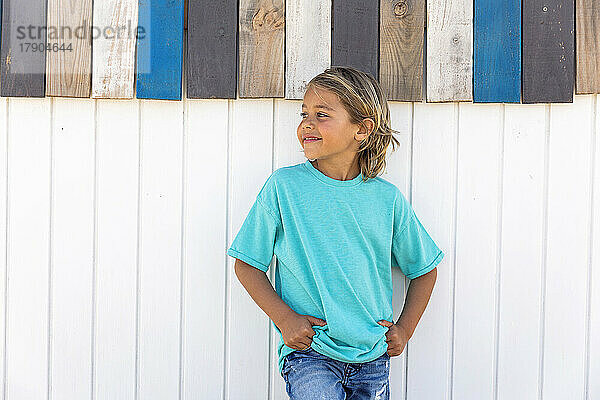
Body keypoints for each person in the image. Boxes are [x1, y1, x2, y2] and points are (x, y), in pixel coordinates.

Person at [226, 66, 444, 400]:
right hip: (311, 351)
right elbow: (246, 264)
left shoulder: (387, 199)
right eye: (304, 114)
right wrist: (285, 320)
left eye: (322, 114)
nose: (306, 124)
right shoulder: (284, 188)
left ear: (362, 129)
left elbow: (425, 270)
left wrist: (405, 329)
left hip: (372, 355)